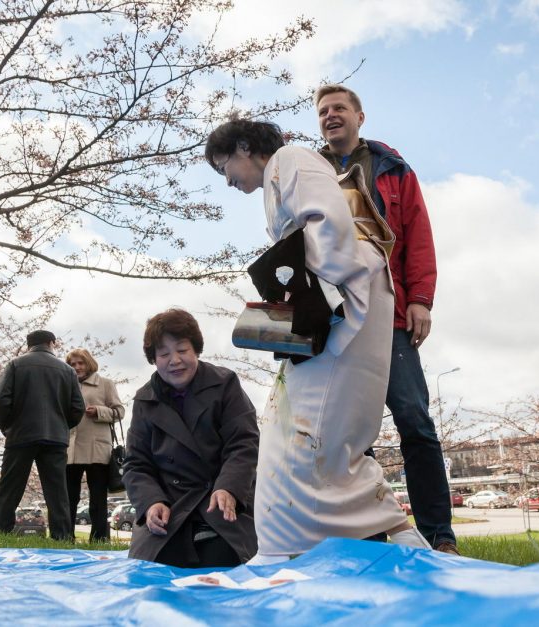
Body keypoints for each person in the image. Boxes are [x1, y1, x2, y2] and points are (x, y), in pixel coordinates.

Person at [205, 118, 431, 564]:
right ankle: (400, 537)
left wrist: (319, 302)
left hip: (343, 301)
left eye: (223, 165)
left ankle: (281, 549)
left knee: (298, 433)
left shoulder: (289, 158)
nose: (226, 179)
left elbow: (328, 220)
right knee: (328, 438)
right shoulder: (285, 171)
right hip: (343, 298)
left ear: (245, 147)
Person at [312, 84, 457, 554]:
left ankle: (440, 535)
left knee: (415, 420)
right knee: (349, 433)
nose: (330, 116)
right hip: (336, 323)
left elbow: (418, 234)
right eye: (322, 111)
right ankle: (367, 538)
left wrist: (421, 299)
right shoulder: (308, 173)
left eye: (339, 109)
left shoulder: (394, 169)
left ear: (360, 116)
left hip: (390, 317)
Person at [123, 309, 260, 568]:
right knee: (153, 571)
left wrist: (228, 487)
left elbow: (243, 442)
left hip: (217, 502)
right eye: (164, 354)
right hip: (171, 508)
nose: (174, 360)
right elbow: (136, 463)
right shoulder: (144, 400)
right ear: (154, 359)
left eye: (182, 350)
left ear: (196, 350)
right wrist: (152, 502)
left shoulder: (224, 383)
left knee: (223, 561)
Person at [0, 330, 85, 539]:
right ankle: (62, 537)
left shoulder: (15, 365)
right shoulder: (67, 371)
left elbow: (1, 400)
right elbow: (78, 407)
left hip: (20, 435)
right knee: (57, 490)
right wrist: (62, 425)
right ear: (52, 343)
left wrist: (9, 426)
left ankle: (0, 533)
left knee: (10, 487)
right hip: (55, 437)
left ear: (28, 345)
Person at [65, 348, 125, 542]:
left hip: (97, 449)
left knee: (98, 499)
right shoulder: (66, 385)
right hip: (71, 449)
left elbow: (120, 411)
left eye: (80, 363)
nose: (77, 367)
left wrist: (99, 411)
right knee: (68, 498)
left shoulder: (105, 384)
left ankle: (99, 539)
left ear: (89, 363)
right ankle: (65, 537)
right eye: (72, 364)